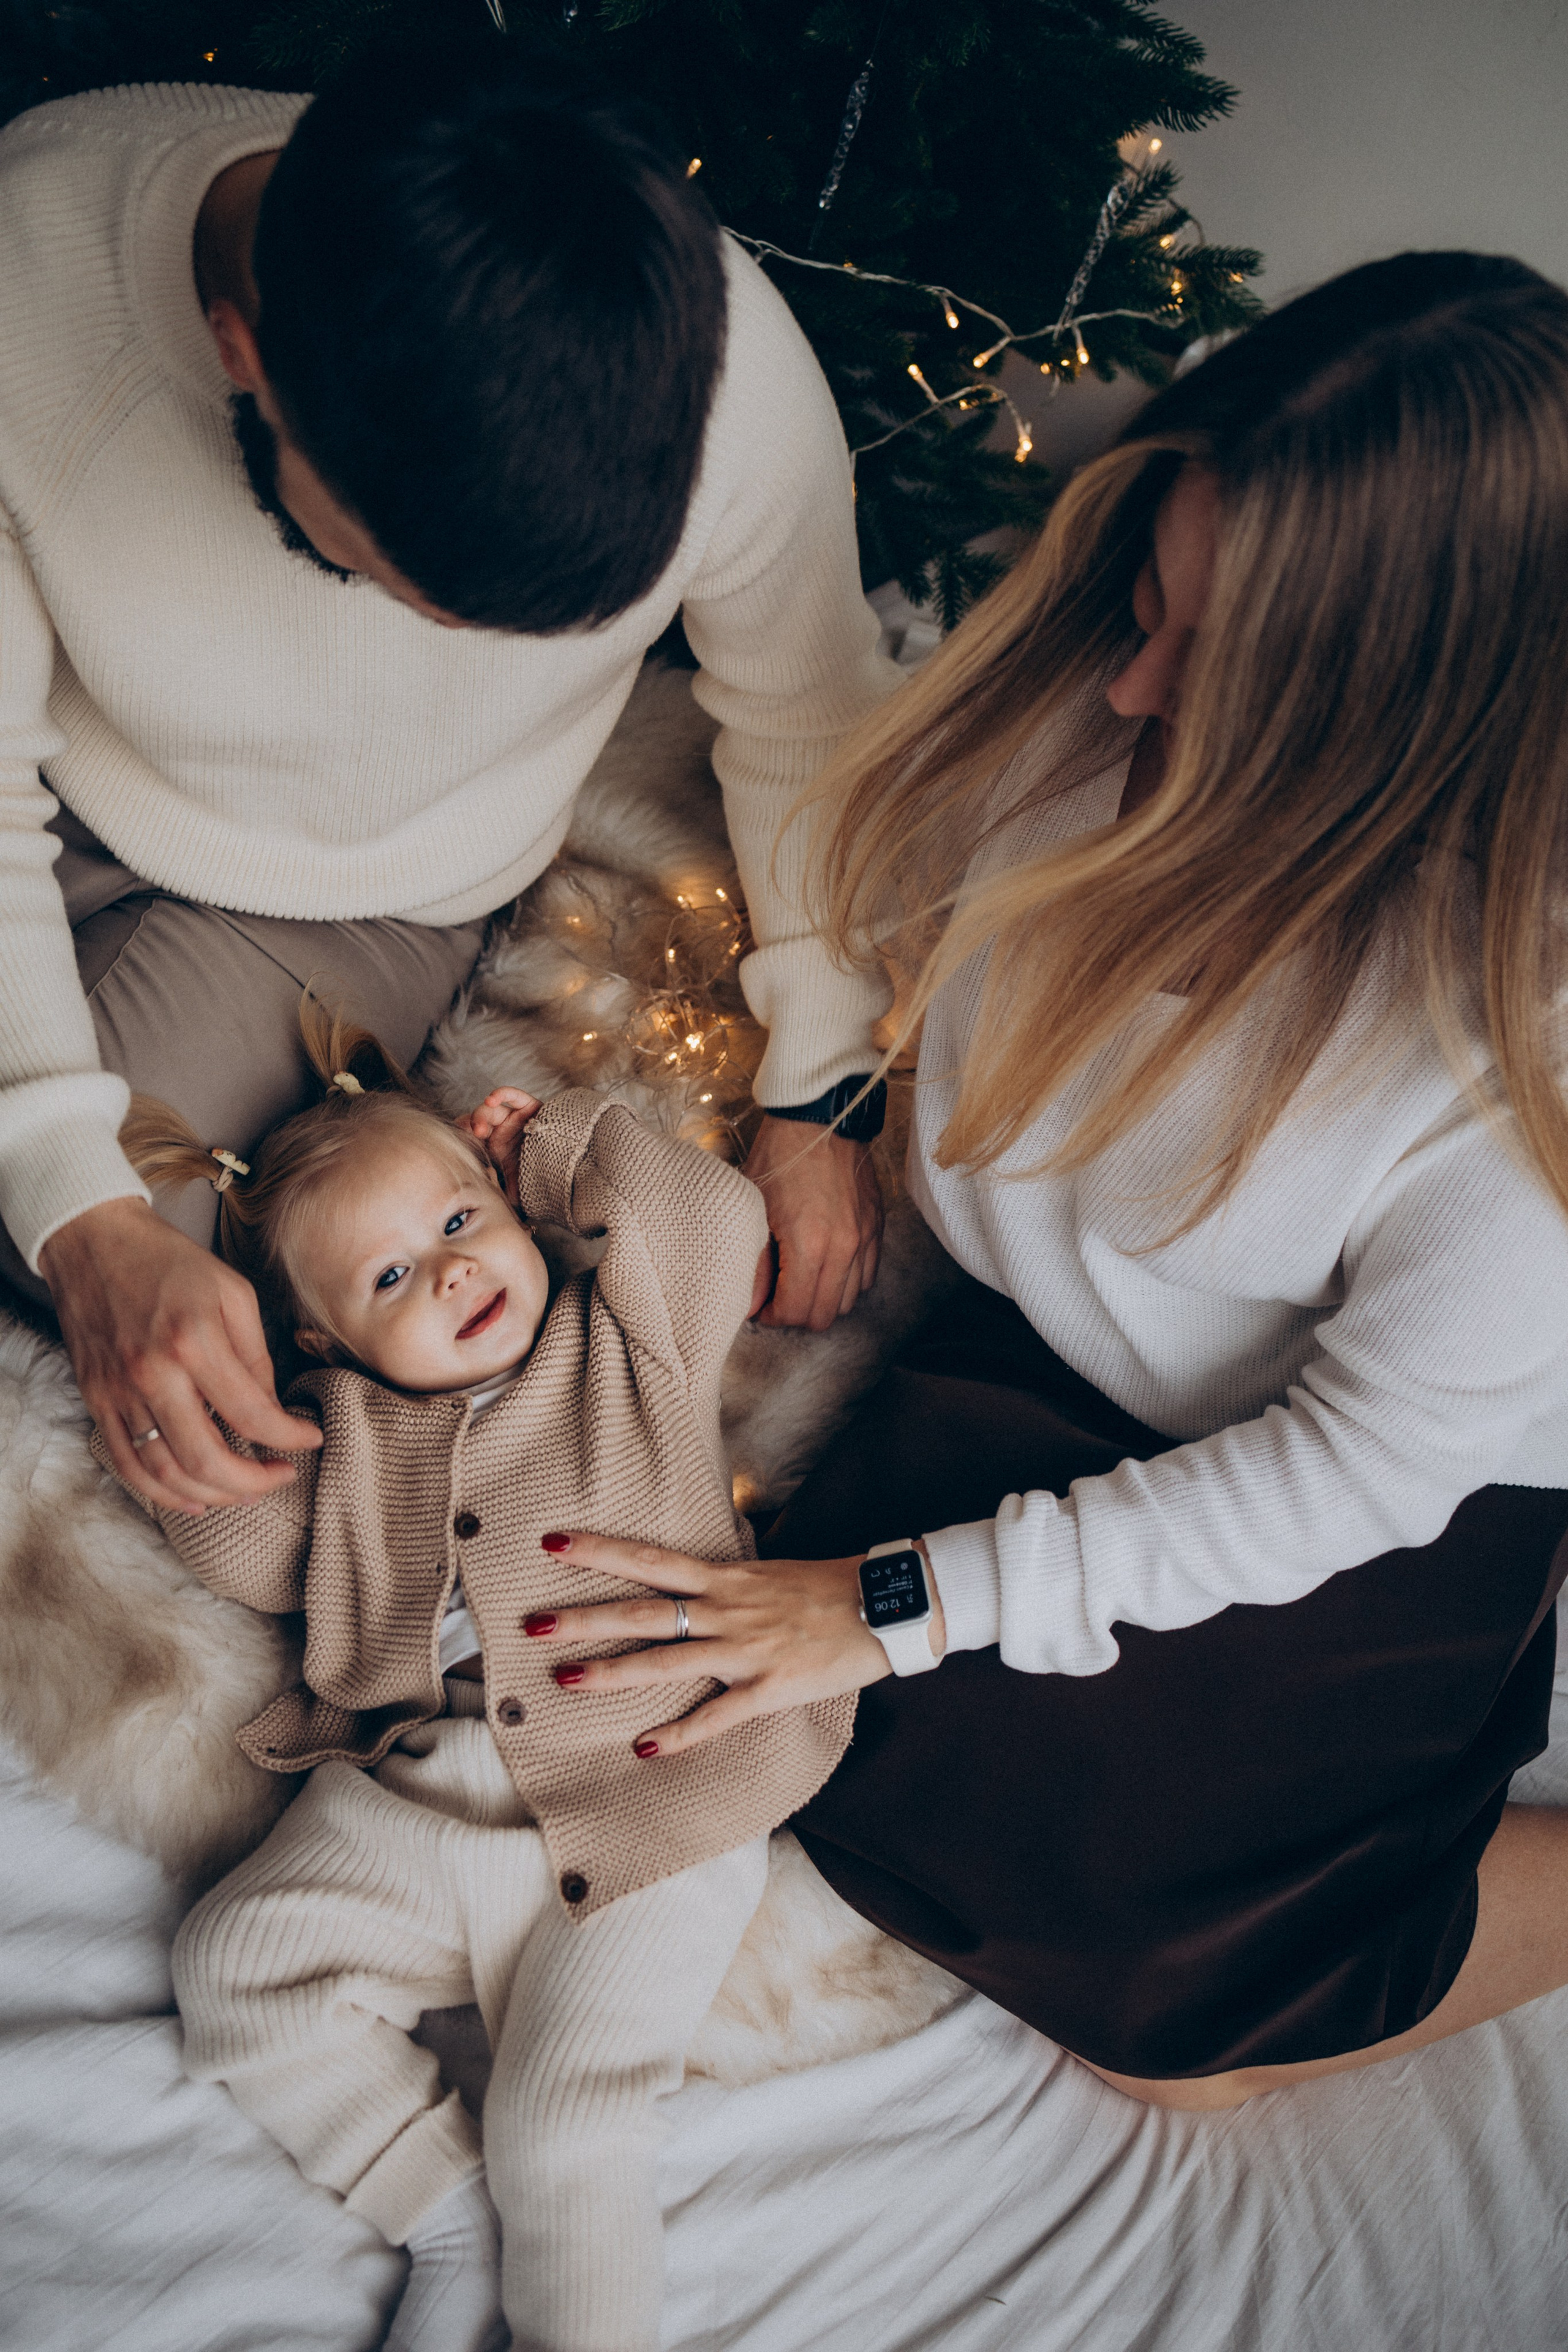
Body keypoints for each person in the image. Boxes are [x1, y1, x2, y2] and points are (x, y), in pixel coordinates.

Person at [514, 251, 1568, 2106]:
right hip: (1079, 1343)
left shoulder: (1516, 1076)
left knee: (1185, 2038)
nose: (1130, 684)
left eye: (1211, 669)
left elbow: (1340, 1480)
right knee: (829, 1772)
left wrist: (886, 1603)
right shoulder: (1098, 694)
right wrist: (827, 1104)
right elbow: (866, 860)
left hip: (1344, 1493)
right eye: (1143, 605)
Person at [0, 28, 894, 1524]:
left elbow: (804, 710)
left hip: (354, 904)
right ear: (246, 357)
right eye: (426, 601)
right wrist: (61, 1189)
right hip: (58, 783)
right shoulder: (31, 294)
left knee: (164, 1256)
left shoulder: (720, 364)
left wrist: (828, 1081)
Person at [97, 1006, 853, 2352]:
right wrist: (215, 1422)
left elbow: (712, 1224)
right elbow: (240, 1544)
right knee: (238, 1970)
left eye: (455, 1224)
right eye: (385, 1282)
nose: (446, 1276)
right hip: (425, 1806)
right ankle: (442, 2216)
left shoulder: (624, 1342)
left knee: (565, 2129)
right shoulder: (348, 1445)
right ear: (325, 1350)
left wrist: (562, 1146)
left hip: (649, 1798)